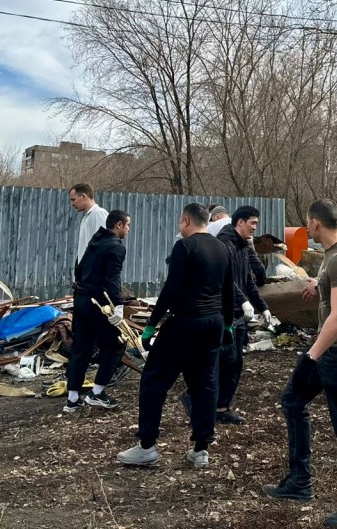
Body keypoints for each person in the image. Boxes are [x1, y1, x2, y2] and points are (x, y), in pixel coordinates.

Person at [265, 199, 337, 527]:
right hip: (330, 351)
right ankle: (300, 481)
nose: (306, 228)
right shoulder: (334, 254)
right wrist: (318, 285)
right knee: (292, 400)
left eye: (307, 223)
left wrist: (311, 355)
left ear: (315, 223)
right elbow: (334, 287)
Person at [116, 203, 233, 469]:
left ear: (186, 220)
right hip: (213, 323)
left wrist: (151, 325)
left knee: (153, 381)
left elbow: (171, 288)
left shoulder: (185, 246)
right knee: (205, 384)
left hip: (186, 322)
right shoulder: (222, 248)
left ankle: (147, 446)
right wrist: (227, 326)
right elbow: (228, 290)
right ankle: (201, 449)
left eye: (181, 222)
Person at [64, 209, 131, 412]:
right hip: (98, 303)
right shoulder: (115, 247)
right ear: (119, 225)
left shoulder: (95, 242)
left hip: (81, 299)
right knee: (117, 344)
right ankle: (97, 392)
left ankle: (72, 399)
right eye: (127, 225)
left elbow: (79, 268)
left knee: (81, 348)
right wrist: (118, 305)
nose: (128, 230)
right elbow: (113, 278)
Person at [214, 205, 272, 424]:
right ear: (240, 222)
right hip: (224, 313)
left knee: (235, 363)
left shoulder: (243, 246)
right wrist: (243, 301)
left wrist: (263, 306)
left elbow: (248, 280)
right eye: (252, 223)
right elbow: (224, 279)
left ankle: (222, 408)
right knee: (224, 362)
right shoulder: (224, 244)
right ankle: (202, 402)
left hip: (239, 315)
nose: (255, 228)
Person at [69, 183, 108, 277]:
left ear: (83, 196)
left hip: (94, 273)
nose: (72, 204)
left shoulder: (98, 214)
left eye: (73, 199)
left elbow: (103, 245)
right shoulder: (86, 217)